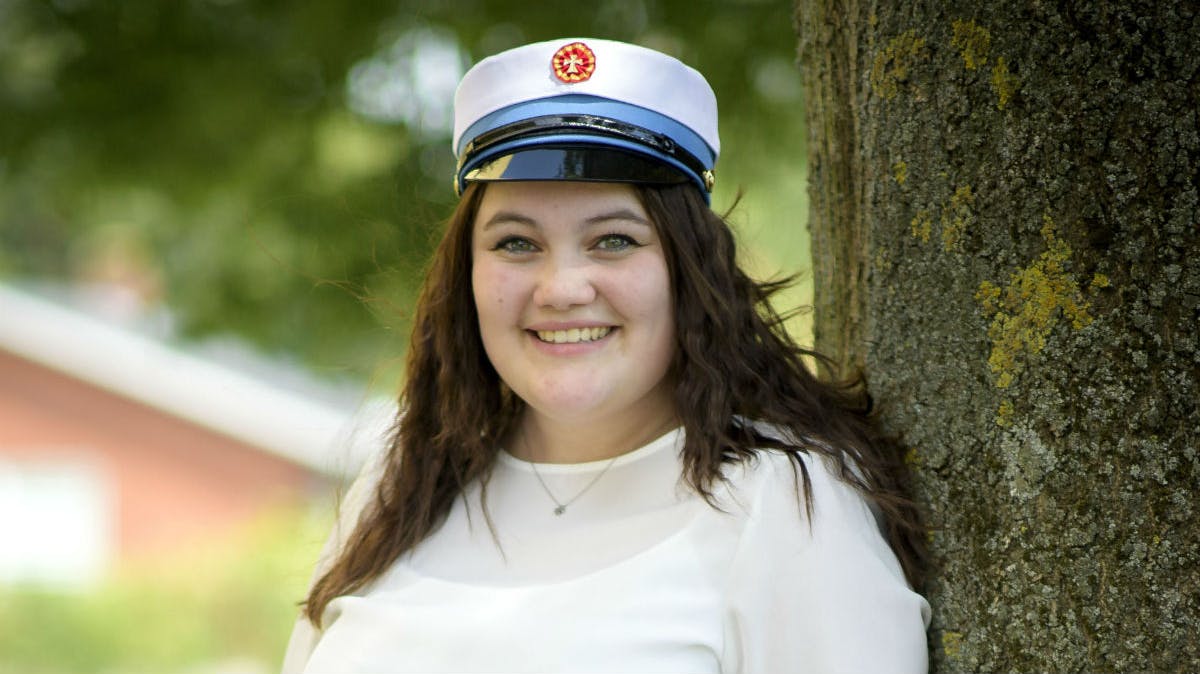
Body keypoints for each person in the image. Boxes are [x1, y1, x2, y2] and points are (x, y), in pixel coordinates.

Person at [282, 37, 931, 673]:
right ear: (466, 275)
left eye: (614, 240)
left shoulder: (786, 504)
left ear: (689, 267)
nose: (562, 289)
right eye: (516, 243)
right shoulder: (405, 482)